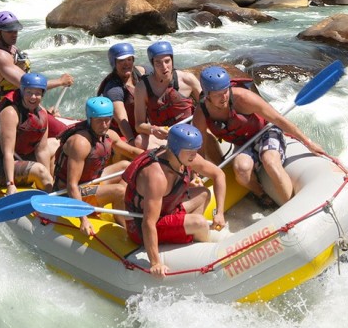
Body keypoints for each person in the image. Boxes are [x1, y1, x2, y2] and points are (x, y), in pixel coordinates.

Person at [192, 66, 326, 208]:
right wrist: (196, 173)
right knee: (241, 169)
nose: (224, 97)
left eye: (225, 91)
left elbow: (278, 119)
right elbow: (198, 147)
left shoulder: (243, 98)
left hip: (266, 132)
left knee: (270, 162)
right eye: (218, 94)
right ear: (207, 95)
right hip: (243, 143)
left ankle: (292, 208)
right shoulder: (201, 113)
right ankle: (262, 195)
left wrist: (308, 142)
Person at [122, 124, 227, 278]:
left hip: (165, 210)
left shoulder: (183, 156)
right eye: (190, 152)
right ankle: (203, 248)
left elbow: (219, 175)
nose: (194, 155)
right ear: (176, 149)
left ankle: (189, 239)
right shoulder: (157, 176)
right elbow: (148, 223)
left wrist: (220, 213)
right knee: (198, 222)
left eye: (196, 150)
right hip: (139, 227)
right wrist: (155, 262)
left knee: (203, 194)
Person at [53, 96, 143, 236]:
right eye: (100, 120)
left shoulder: (109, 135)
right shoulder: (81, 143)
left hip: (90, 182)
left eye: (108, 119)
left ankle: (123, 206)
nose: (105, 124)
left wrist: (158, 156)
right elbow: (72, 185)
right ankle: (127, 228)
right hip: (68, 193)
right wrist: (83, 219)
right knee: (119, 190)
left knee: (125, 165)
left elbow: (132, 152)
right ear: (90, 119)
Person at [0, 73, 65, 196]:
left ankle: (52, 186)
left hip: (20, 157)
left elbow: (42, 150)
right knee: (39, 170)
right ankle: (53, 197)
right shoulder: (11, 113)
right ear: (22, 91)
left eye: (38, 93)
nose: (33, 97)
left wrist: (47, 177)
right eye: (29, 92)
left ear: (43, 94)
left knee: (55, 144)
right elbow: (8, 153)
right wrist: (10, 184)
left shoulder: (42, 114)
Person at [0, 10, 73, 116]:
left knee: (53, 118)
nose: (14, 34)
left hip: (19, 104)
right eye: (10, 31)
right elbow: (30, 85)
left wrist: (44, 111)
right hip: (3, 110)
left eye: (16, 31)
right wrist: (60, 81)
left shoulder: (12, 49)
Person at [133, 40, 202, 148]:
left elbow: (208, 105)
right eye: (158, 63)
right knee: (140, 140)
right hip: (164, 137)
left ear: (172, 60)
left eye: (167, 61)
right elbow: (139, 125)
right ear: (152, 64)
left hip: (191, 132)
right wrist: (153, 129)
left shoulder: (187, 79)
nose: (164, 67)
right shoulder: (142, 88)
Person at [95, 42, 149, 145]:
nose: (126, 63)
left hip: (143, 127)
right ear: (114, 63)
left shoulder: (141, 72)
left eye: (129, 59)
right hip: (123, 135)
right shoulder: (113, 89)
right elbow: (122, 120)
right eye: (121, 61)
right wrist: (132, 142)